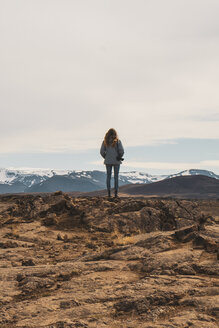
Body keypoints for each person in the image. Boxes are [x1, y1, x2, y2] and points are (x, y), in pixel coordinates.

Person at [100, 128, 124, 198]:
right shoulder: (118, 141)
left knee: (108, 177)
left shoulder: (105, 141)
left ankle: (109, 194)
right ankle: (116, 194)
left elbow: (101, 152)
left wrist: (106, 157)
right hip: (116, 161)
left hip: (108, 161)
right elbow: (121, 151)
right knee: (116, 177)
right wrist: (119, 156)